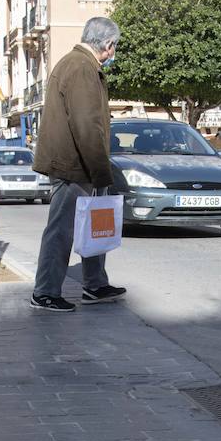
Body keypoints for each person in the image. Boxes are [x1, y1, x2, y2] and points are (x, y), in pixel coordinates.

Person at [29, 16, 127, 312]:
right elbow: (87, 126)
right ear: (108, 44)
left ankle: (95, 285)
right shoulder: (82, 68)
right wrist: (101, 172)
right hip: (73, 166)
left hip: (76, 164)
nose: (113, 52)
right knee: (62, 230)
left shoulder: (78, 64)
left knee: (94, 225)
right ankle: (45, 292)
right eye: (114, 46)